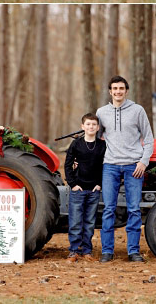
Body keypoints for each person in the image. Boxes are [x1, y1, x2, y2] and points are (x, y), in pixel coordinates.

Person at [96, 76, 153, 262]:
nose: (118, 91)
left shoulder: (137, 110)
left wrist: (143, 162)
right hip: (110, 166)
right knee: (108, 209)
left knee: (134, 209)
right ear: (110, 91)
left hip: (133, 167)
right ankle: (107, 251)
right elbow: (95, 139)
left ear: (126, 91)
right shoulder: (101, 112)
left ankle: (133, 251)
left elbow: (149, 139)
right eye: (115, 88)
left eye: (121, 88)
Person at [64, 112, 105, 262]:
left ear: (98, 127)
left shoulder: (102, 145)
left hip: (93, 189)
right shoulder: (76, 144)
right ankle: (74, 251)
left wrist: (99, 184)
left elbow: (104, 166)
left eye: (94, 124)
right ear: (83, 126)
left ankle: (87, 251)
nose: (91, 127)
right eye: (88, 124)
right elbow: (68, 165)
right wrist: (73, 184)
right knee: (75, 221)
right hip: (78, 189)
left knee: (89, 222)